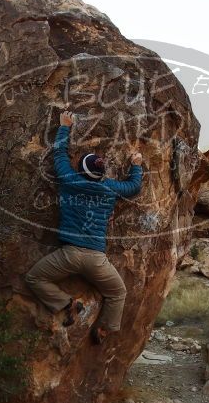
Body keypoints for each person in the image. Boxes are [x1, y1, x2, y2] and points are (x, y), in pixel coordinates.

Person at [25, 111, 143, 345]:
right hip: (96, 259)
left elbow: (58, 154)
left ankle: (66, 303)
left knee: (34, 278)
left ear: (80, 170)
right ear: (100, 174)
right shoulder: (110, 187)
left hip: (68, 255)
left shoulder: (70, 180)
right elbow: (134, 186)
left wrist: (64, 126)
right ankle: (104, 330)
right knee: (117, 293)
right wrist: (136, 165)